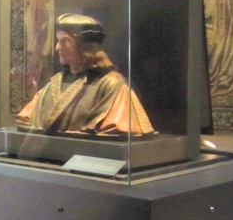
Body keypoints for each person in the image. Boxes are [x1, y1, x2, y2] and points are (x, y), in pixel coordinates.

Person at [15, 13, 156, 137]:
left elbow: (120, 128)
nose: (58, 47)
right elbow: (26, 118)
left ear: (85, 46)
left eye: (66, 41)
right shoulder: (53, 84)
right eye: (58, 41)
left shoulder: (112, 85)